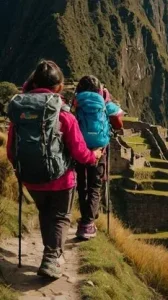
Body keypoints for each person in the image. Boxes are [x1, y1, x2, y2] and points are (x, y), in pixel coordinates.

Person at [6, 60, 103, 279]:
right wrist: (94, 156)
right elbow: (79, 152)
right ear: (58, 86)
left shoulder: (20, 113)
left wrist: (23, 168)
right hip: (60, 180)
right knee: (60, 217)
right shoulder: (62, 113)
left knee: (45, 213)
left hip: (30, 178)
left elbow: (11, 150)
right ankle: (52, 258)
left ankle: (50, 253)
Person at [73, 75, 123, 240]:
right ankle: (88, 223)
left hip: (80, 147)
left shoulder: (77, 101)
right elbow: (118, 122)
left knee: (82, 183)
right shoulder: (104, 103)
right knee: (95, 184)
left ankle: (85, 218)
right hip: (99, 149)